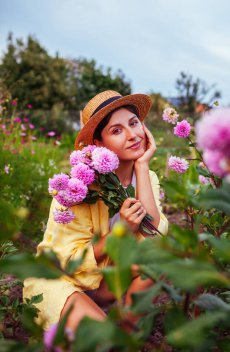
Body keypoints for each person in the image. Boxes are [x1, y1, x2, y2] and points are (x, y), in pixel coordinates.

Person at [23, 90, 168, 333]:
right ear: (99, 144)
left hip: (105, 285)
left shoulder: (146, 177)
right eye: (117, 130)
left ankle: (124, 328)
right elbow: (64, 263)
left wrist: (142, 166)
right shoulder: (77, 189)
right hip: (63, 282)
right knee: (109, 342)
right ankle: (109, 335)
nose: (133, 135)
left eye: (134, 123)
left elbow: (153, 234)